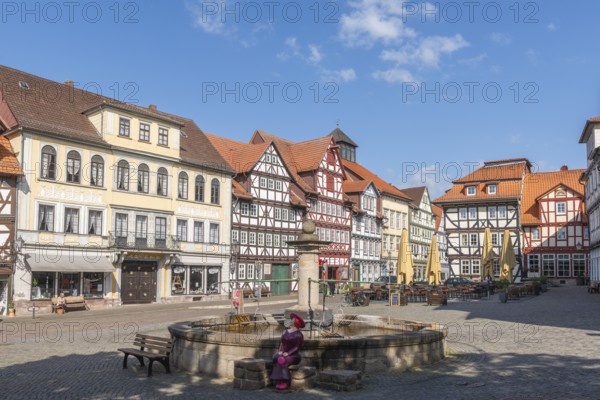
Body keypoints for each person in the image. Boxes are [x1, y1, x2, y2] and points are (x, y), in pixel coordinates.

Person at [270, 312, 305, 390]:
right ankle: (277, 379)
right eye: (292, 319)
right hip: (283, 353)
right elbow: (282, 343)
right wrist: (281, 351)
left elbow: (297, 347)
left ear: (296, 322)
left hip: (294, 355)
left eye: (293, 319)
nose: (292, 320)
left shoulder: (299, 335)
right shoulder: (286, 331)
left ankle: (284, 381)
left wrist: (288, 353)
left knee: (282, 360)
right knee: (276, 357)